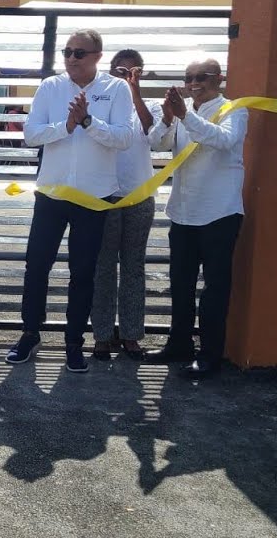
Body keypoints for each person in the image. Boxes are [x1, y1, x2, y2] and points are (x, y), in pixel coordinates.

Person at [9, 29, 134, 373]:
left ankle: (74, 342)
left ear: (97, 55)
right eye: (66, 52)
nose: (70, 58)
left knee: (83, 273)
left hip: (94, 198)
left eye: (79, 53)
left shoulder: (117, 89)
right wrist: (66, 125)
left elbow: (125, 138)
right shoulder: (51, 87)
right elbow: (31, 135)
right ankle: (30, 333)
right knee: (37, 266)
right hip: (52, 193)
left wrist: (89, 122)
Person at [145, 59, 246, 378]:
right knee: (181, 284)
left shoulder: (235, 109)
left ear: (220, 79)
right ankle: (179, 344)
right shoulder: (181, 109)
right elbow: (156, 143)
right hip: (184, 211)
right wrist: (166, 118)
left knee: (215, 288)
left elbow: (222, 140)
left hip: (219, 212)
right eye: (189, 77)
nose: (194, 83)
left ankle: (210, 354)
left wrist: (185, 116)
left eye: (201, 77)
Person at [91, 49, 162, 361]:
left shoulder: (153, 106)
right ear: (110, 72)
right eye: (121, 71)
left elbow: (153, 133)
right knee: (103, 267)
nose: (127, 76)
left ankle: (132, 335)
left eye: (134, 72)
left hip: (139, 195)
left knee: (133, 267)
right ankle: (103, 335)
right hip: (104, 194)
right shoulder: (103, 101)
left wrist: (135, 92)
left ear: (142, 74)